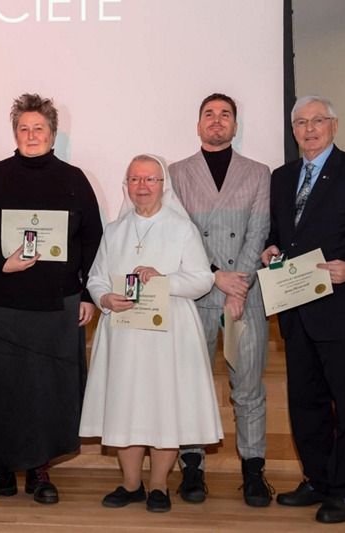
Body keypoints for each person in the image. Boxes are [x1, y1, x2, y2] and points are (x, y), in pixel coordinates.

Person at [261, 95, 345, 524]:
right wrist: (271, 249)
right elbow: (281, 233)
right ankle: (317, 480)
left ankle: (343, 490)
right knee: (305, 403)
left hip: (342, 309)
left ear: (334, 126)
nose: (309, 128)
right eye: (300, 122)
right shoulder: (282, 178)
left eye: (318, 120)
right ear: (293, 130)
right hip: (295, 307)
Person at [0, 93, 102, 504]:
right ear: (15, 133)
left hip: (57, 304)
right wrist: (0, 263)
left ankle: (40, 473)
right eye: (23, 128)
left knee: (47, 391)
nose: (31, 134)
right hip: (2, 302)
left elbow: (93, 239)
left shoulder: (75, 179)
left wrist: (89, 292)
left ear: (53, 133)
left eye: (38, 128)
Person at [79, 154, 223, 513]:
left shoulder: (181, 227)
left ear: (164, 185)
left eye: (150, 180)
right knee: (125, 404)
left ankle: (158, 485)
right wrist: (103, 297)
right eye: (135, 180)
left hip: (169, 334)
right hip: (123, 333)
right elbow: (96, 276)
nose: (142, 187)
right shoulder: (114, 230)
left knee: (164, 405)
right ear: (126, 185)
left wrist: (163, 280)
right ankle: (130, 484)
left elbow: (203, 278)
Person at [170, 93, 273, 506]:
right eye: (209, 115)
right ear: (198, 125)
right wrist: (215, 277)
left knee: (248, 389)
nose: (216, 121)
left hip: (243, 297)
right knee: (191, 384)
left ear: (235, 125)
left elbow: (259, 229)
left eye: (225, 115)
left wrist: (238, 285)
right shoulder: (176, 172)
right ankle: (191, 469)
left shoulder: (259, 172)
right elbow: (178, 234)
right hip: (194, 294)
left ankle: (253, 472)